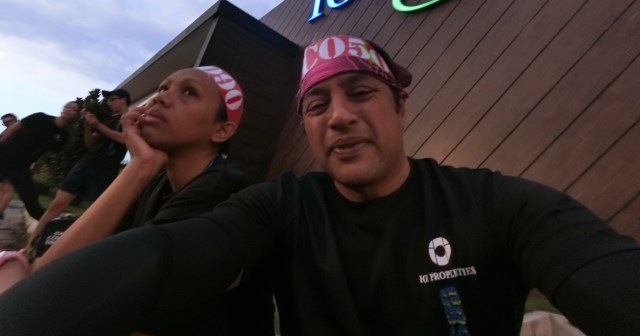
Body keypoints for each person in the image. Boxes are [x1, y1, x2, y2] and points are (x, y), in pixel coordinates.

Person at [0, 35, 638, 336]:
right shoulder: (279, 207)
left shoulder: (495, 202)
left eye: (361, 93)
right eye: (317, 105)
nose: (339, 116)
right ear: (306, 127)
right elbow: (164, 258)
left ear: (400, 108)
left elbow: (598, 268)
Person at [0, 66, 274, 335]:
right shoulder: (158, 179)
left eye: (189, 92)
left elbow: (108, 289)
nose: (161, 97)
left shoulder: (221, 188)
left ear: (221, 131)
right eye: (163, 87)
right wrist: (141, 164)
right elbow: (54, 273)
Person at [28, 89, 130, 247]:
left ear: (124, 100)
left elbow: (125, 139)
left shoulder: (129, 118)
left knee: (95, 212)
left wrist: (98, 125)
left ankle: (78, 248)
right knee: (57, 204)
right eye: (108, 100)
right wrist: (89, 126)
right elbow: (90, 144)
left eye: (113, 99)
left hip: (104, 171)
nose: (109, 103)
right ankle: (31, 245)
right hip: (85, 164)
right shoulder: (110, 119)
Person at [0, 103, 81, 221]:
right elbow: (13, 129)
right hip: (5, 155)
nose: (68, 109)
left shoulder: (63, 135)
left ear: (78, 116)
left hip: (20, 166)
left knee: (30, 199)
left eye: (73, 109)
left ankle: (48, 225)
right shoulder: (40, 118)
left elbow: (49, 151)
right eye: (67, 106)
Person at [0, 113, 19, 220]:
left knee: (8, 187)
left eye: (7, 119)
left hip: (16, 163)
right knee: (2, 187)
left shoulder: (21, 130)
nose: (5, 122)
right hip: (4, 162)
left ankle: (0, 210)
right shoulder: (6, 131)